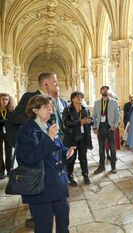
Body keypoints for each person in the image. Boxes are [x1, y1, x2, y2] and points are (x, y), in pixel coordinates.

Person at [5, 72, 64, 228]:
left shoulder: (54, 101)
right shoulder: (29, 98)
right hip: (37, 156)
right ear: (45, 83)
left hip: (52, 159)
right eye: (54, 82)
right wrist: (36, 122)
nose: (57, 85)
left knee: (62, 215)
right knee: (43, 217)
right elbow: (13, 118)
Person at [16, 95, 75, 233]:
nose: (51, 110)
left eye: (51, 106)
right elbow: (28, 158)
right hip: (41, 187)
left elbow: (58, 147)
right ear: (35, 110)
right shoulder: (26, 131)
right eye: (46, 107)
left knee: (64, 220)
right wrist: (48, 137)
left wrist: (66, 152)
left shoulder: (48, 126)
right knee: (44, 226)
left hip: (57, 184)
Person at [62, 91, 93, 186]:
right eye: (77, 97)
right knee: (72, 158)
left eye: (81, 97)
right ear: (72, 99)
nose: (80, 98)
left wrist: (90, 121)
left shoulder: (85, 109)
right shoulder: (67, 110)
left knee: (83, 157)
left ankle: (85, 175)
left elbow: (89, 119)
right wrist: (79, 122)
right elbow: (65, 123)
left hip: (83, 136)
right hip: (72, 137)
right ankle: (70, 175)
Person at [92, 86, 120, 174]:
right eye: (103, 89)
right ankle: (101, 166)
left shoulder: (114, 102)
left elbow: (118, 115)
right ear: (100, 91)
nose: (105, 90)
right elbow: (94, 116)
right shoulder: (96, 103)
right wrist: (94, 127)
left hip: (110, 129)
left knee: (112, 148)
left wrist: (114, 126)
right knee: (101, 149)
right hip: (100, 129)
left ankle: (113, 167)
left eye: (107, 89)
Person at [0, 93, 14, 179]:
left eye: (6, 99)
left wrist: (4, 121)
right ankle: (1, 171)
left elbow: (13, 122)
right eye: (3, 99)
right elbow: (8, 122)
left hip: (8, 134)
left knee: (9, 153)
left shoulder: (11, 110)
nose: (5, 101)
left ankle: (9, 170)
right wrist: (5, 121)